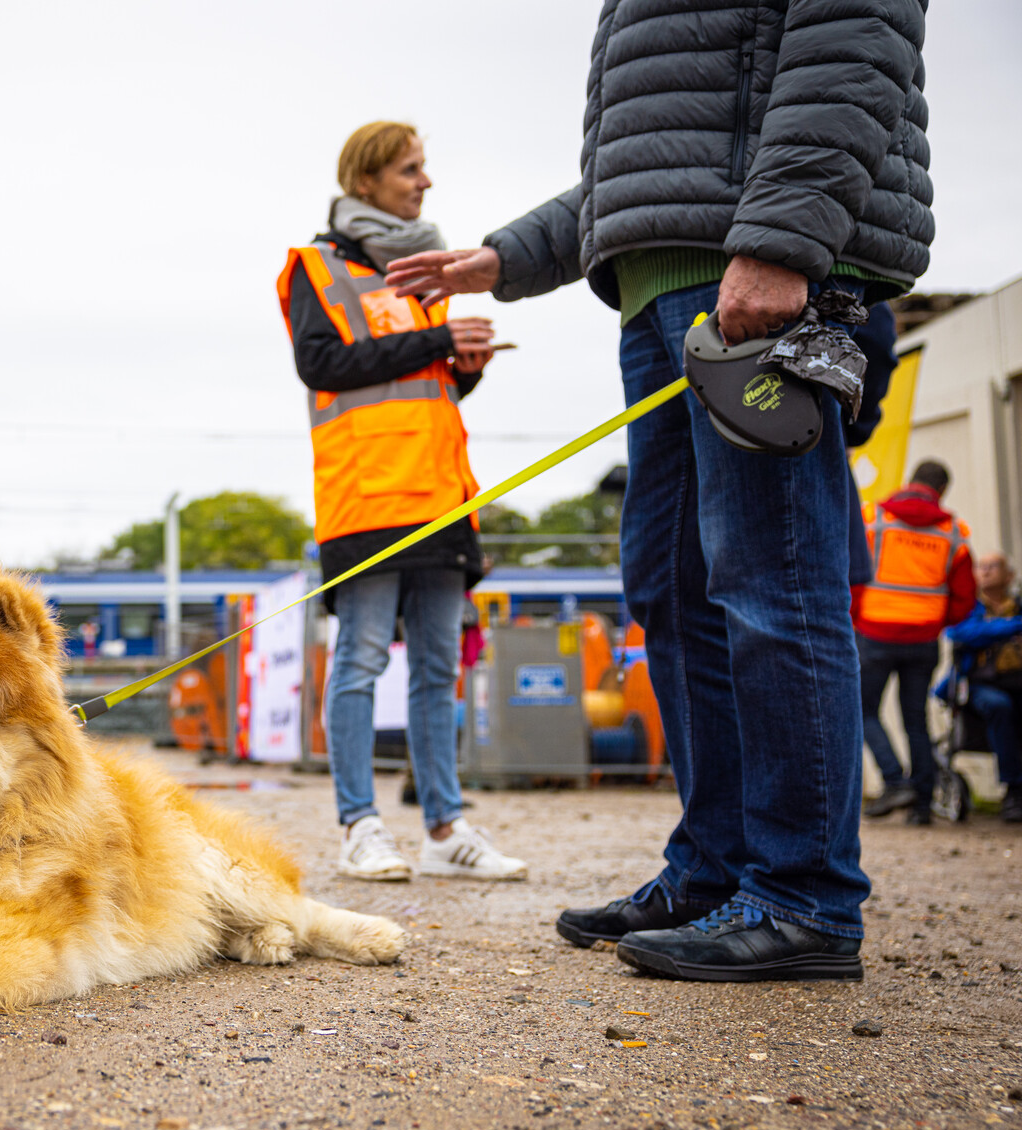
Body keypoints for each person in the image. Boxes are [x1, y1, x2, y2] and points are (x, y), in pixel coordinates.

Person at [383, 2, 932, 981]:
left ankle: (803, 893)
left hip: (756, 270)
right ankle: (718, 867)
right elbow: (663, 152)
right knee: (674, 592)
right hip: (665, 286)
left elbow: (856, 32)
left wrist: (785, 236)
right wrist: (514, 252)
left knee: (775, 581)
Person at [276, 121, 527, 883]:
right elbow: (321, 364)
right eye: (410, 170)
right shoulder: (316, 266)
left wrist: (466, 365)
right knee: (358, 661)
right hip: (366, 500)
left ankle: (445, 829)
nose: (425, 183)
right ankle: (361, 825)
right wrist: (437, 343)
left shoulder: (427, 272)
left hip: (441, 498)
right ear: (365, 181)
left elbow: (422, 388)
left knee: (438, 668)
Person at [855, 460, 974, 823]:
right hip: (923, 638)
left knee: (862, 711)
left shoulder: (874, 516)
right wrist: (936, 619)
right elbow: (965, 598)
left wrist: (855, 616)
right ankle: (921, 806)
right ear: (941, 491)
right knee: (915, 720)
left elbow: (851, 572)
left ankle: (894, 781)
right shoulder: (955, 531)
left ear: (911, 481)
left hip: (874, 631)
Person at [945, 553, 1022, 824]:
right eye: (982, 567)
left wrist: (996, 627)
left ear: (1009, 575)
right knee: (999, 705)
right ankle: (1014, 791)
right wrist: (1011, 627)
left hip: (1016, 681)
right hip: (979, 685)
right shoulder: (970, 606)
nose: (986, 572)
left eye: (994, 567)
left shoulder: (1017, 604)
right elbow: (962, 632)